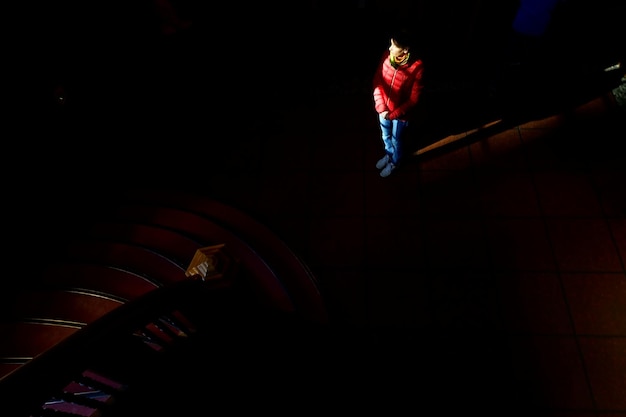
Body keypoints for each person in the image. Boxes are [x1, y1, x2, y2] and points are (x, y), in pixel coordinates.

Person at [372, 28, 425, 177]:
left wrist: (393, 114)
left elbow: (414, 99)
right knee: (385, 136)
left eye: (394, 46)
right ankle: (389, 155)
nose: (390, 48)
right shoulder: (386, 56)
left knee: (397, 140)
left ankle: (395, 162)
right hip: (383, 110)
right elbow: (377, 80)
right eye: (390, 44)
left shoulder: (417, 68)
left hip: (400, 116)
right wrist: (381, 107)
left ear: (405, 50)